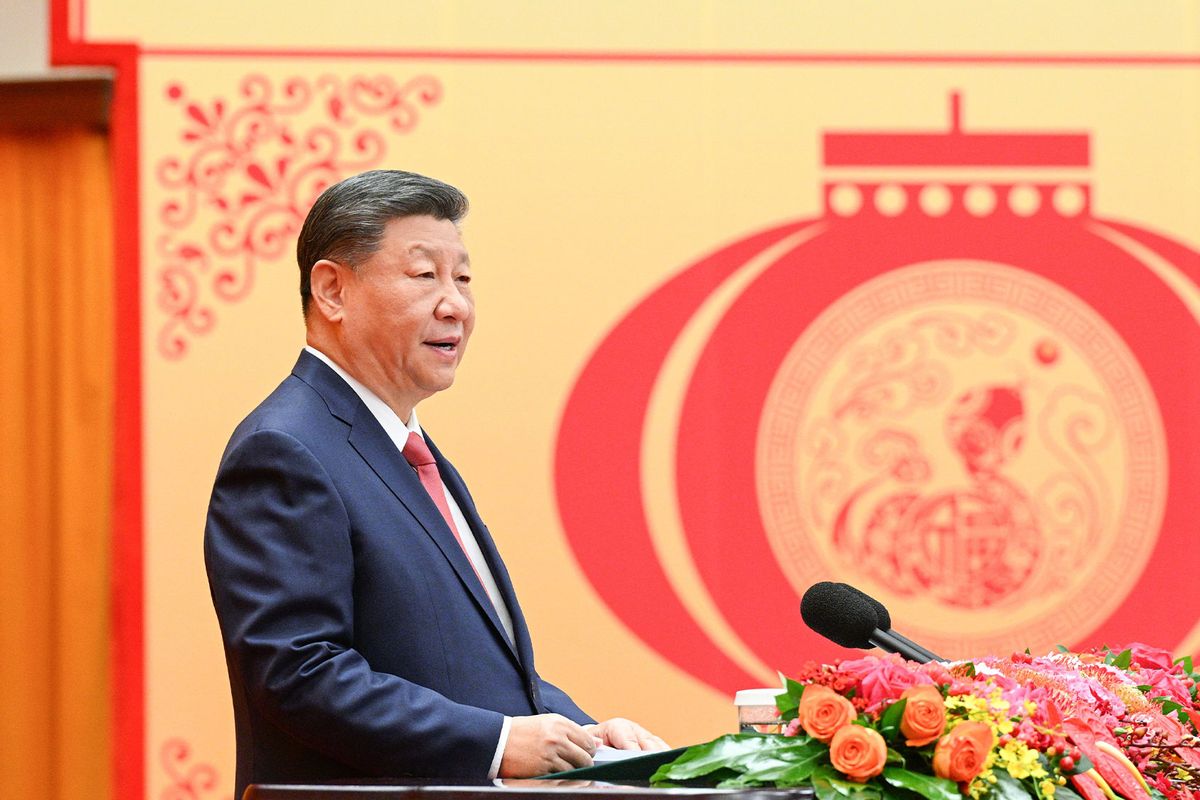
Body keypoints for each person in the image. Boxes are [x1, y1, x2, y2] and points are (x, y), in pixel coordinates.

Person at [204, 169, 666, 798]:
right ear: (332, 290)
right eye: (425, 276)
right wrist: (498, 742)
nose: (456, 305)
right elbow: (299, 672)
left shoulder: (404, 448)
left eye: (464, 278)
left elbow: (471, 674)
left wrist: (590, 740)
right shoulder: (285, 449)